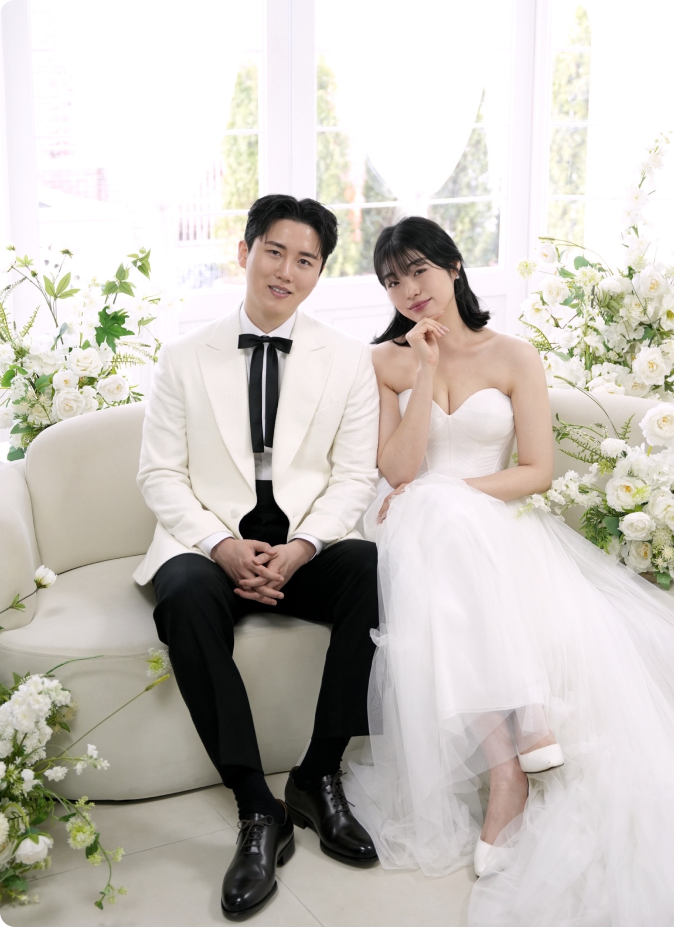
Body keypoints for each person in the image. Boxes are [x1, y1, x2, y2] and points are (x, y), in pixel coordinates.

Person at [344, 216, 674, 925]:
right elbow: (400, 471)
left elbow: (536, 471)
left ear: (453, 266)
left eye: (418, 270)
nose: (408, 289)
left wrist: (451, 498)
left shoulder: (514, 355)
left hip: (488, 515)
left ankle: (513, 762)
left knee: (445, 531)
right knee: (433, 525)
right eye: (391, 280)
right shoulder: (385, 361)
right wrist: (425, 369)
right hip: (412, 523)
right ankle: (516, 752)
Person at [133, 194, 381, 920]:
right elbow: (159, 475)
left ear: (319, 272)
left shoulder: (348, 360)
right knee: (183, 592)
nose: (286, 271)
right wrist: (222, 545)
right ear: (245, 253)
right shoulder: (183, 357)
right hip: (211, 545)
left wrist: (302, 547)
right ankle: (256, 806)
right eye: (274, 251)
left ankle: (318, 775)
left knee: (370, 568)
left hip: (301, 546)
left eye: (306, 260)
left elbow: (354, 476)